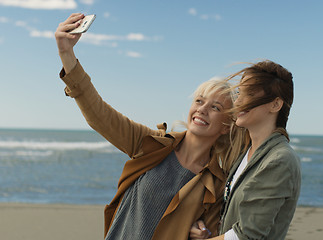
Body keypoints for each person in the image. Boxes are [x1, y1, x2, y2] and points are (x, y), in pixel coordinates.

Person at [55, 13, 243, 240]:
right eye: (199, 101)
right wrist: (67, 53)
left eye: (215, 107)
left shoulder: (217, 186)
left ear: (226, 127)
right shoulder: (153, 144)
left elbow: (215, 234)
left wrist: (203, 235)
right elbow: (99, 115)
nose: (202, 109)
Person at [190, 60, 301, 240]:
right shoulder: (246, 152)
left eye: (249, 94)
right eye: (239, 93)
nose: (238, 101)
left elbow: (247, 235)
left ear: (275, 105)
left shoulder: (279, 159)